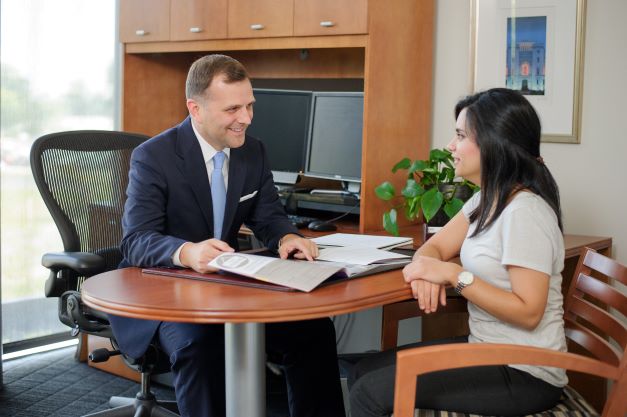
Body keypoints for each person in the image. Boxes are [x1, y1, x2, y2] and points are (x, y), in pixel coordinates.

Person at [108, 54, 346, 417]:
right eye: (233, 108)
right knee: (202, 345)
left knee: (312, 331)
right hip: (164, 293)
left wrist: (287, 238)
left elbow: (268, 216)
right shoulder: (153, 157)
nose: (247, 118)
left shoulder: (252, 151)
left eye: (249, 105)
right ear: (196, 109)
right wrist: (187, 252)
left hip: (227, 288)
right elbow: (136, 239)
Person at [349, 88, 567, 417]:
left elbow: (528, 312)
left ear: (494, 144)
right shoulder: (487, 199)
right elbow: (434, 246)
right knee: (363, 372)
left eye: (460, 135)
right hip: (487, 350)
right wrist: (427, 270)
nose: (451, 146)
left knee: (370, 393)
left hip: (526, 372)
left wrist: (452, 275)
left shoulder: (525, 213)